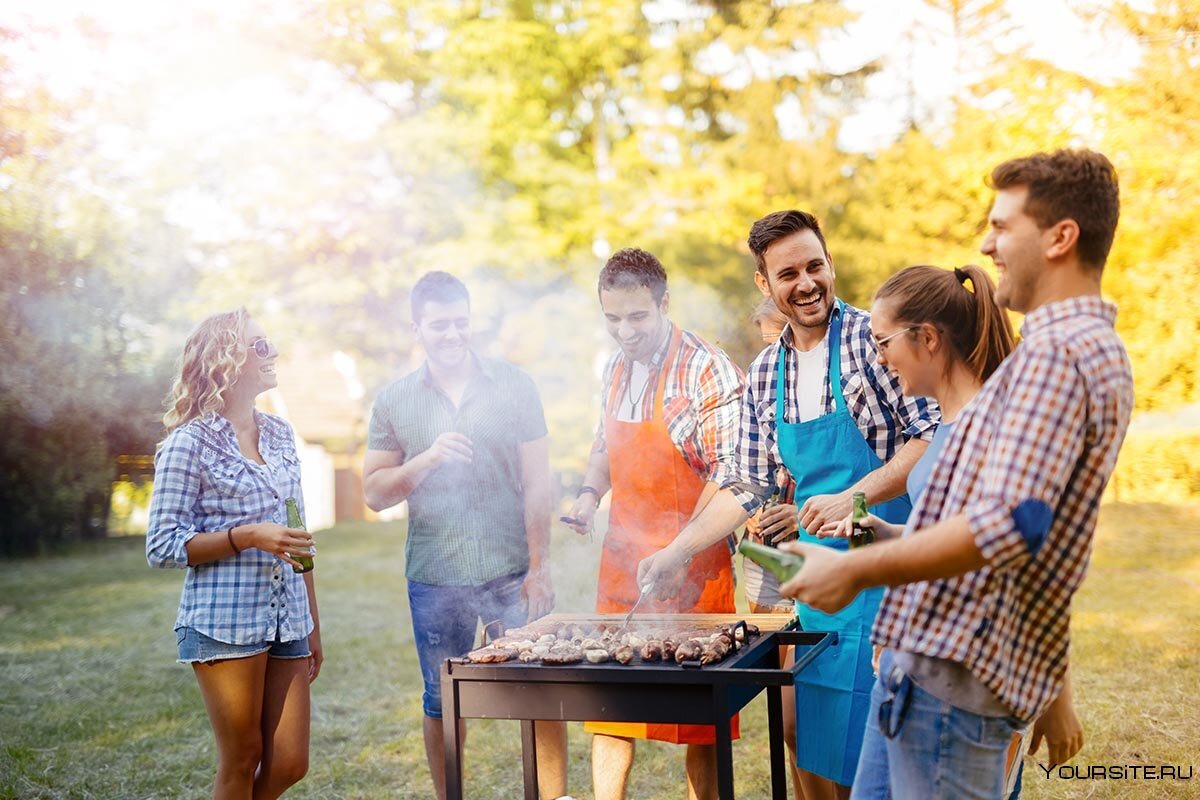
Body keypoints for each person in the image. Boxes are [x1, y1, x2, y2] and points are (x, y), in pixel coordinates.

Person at [780, 149, 1132, 800]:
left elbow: (1013, 530)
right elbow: (1005, 534)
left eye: (1003, 226)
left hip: (953, 692)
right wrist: (870, 543)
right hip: (921, 682)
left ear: (1061, 237)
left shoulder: (1060, 355)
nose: (986, 244)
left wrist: (854, 570)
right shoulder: (1048, 355)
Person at [638, 211, 939, 800]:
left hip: (889, 565)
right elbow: (745, 483)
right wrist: (677, 550)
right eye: (788, 273)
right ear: (764, 284)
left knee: (886, 738)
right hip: (817, 584)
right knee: (801, 727)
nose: (805, 284)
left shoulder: (872, 340)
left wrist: (854, 495)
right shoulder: (764, 373)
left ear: (830, 264)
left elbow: (929, 438)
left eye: (814, 267)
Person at [361, 271, 567, 800]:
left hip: (512, 570)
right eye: (438, 326)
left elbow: (538, 483)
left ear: (471, 320)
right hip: (436, 576)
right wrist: (427, 460)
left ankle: (549, 797)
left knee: (540, 690)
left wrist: (540, 567)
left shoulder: (515, 386)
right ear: (418, 328)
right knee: (441, 699)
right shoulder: (394, 401)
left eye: (460, 323)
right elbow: (375, 493)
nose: (452, 335)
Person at [563, 248, 744, 800]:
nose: (625, 331)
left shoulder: (706, 368)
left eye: (637, 317)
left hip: (697, 559)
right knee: (611, 701)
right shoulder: (615, 367)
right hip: (623, 559)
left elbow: (732, 474)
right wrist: (589, 494)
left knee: (702, 713)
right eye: (612, 318)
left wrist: (679, 551)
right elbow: (604, 444)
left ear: (664, 303)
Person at [147, 308, 322, 799]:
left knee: (289, 762)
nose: (274, 353)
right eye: (260, 345)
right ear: (227, 361)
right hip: (223, 624)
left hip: (288, 620)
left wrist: (312, 623)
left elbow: (298, 534)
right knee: (242, 759)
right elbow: (161, 546)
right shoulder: (188, 444)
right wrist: (246, 536)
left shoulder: (281, 434)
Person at [743, 298, 806, 800]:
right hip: (770, 561)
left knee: (799, 716)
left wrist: (800, 513)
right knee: (787, 716)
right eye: (767, 341)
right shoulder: (765, 376)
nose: (774, 351)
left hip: (819, 562)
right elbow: (751, 470)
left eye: (777, 338)